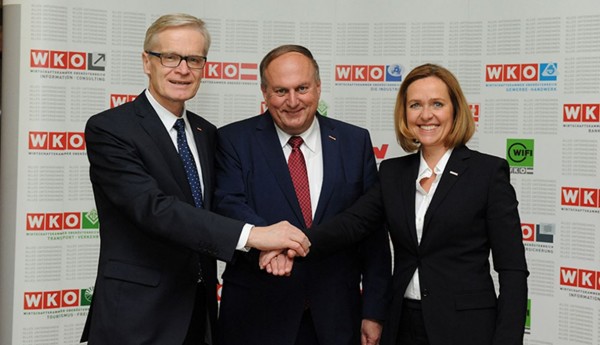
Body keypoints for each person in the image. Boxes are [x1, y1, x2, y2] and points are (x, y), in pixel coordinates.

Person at [80, 14, 310, 345]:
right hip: (136, 318)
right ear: (147, 62)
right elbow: (154, 209)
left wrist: (266, 249)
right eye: (170, 57)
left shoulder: (206, 133)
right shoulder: (111, 129)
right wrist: (255, 236)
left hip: (198, 315)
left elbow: (218, 207)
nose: (183, 69)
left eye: (194, 59)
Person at [265, 63, 529, 345]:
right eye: (415, 105)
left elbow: (512, 270)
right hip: (401, 324)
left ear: (455, 110)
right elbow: (353, 223)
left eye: (437, 104)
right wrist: (291, 242)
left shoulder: (487, 173)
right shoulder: (393, 173)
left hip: (466, 328)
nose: (426, 115)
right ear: (405, 113)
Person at [214, 44, 392, 345]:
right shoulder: (233, 140)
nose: (293, 101)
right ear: (264, 92)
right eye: (281, 91)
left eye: (302, 88)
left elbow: (371, 230)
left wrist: (373, 313)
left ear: (319, 88)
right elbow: (228, 203)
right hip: (257, 318)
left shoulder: (354, 141)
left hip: (337, 319)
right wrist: (269, 242)